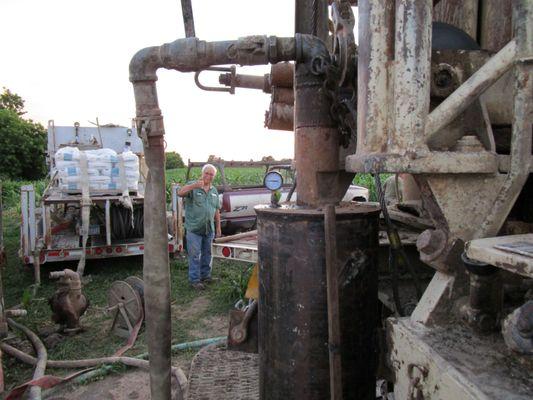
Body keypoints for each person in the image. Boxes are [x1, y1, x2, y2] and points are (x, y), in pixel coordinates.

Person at [178, 164, 222, 290]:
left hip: (209, 229)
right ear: (202, 173)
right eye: (206, 173)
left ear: (214, 176)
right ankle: (194, 280)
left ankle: (206, 276)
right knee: (195, 254)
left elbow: (216, 210)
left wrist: (218, 227)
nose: (208, 176)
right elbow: (180, 193)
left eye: (211, 174)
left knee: (208, 253)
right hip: (194, 229)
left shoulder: (214, 191)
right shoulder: (193, 185)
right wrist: (193, 186)